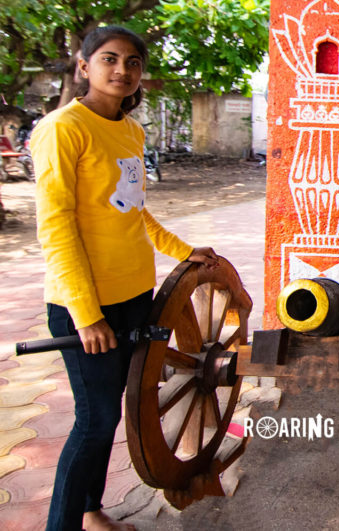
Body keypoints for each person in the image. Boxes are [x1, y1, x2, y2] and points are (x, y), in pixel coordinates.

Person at [31, 26, 219, 531]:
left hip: (136, 294)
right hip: (87, 306)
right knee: (93, 423)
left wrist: (184, 251)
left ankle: (91, 511)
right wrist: (86, 314)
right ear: (83, 66)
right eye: (109, 59)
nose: (122, 70)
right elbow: (56, 227)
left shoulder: (130, 131)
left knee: (112, 413)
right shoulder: (62, 129)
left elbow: (135, 212)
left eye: (132, 61)